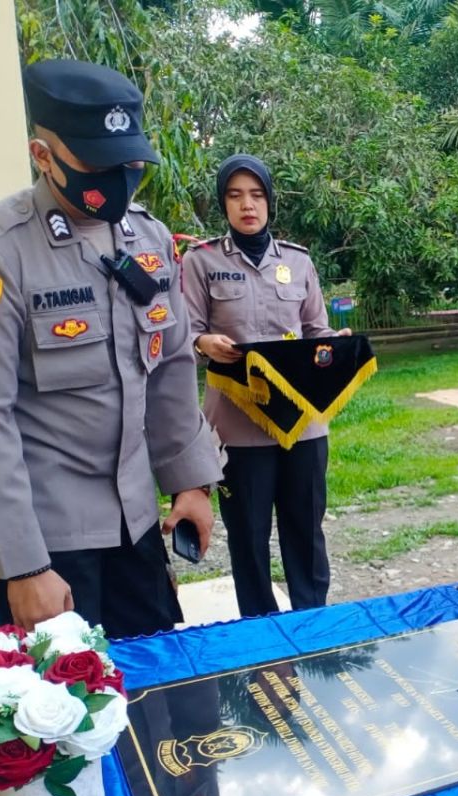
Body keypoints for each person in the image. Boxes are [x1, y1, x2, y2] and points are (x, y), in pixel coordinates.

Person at [0, 60, 222, 636]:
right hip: (49, 541)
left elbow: (171, 366)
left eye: (129, 163)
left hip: (137, 526)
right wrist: (24, 566)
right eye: (98, 164)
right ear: (42, 155)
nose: (118, 178)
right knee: (66, 715)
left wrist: (191, 483)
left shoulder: (147, 237)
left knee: (159, 704)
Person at [182, 154, 350, 618]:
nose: (247, 205)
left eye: (256, 195)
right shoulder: (202, 262)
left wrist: (334, 344)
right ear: (224, 204)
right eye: (235, 196)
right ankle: (259, 633)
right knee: (248, 535)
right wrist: (203, 341)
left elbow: (316, 329)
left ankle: (312, 622)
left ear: (270, 202)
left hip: (302, 422)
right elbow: (185, 330)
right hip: (238, 426)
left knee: (305, 530)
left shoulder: (297, 262)